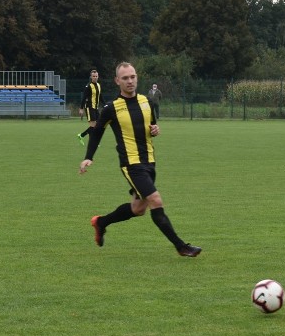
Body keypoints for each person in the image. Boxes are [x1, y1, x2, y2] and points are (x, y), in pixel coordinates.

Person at [79, 62, 201, 257]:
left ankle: (101, 222)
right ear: (117, 81)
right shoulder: (111, 108)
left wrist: (155, 130)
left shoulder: (146, 101)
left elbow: (151, 126)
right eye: (125, 78)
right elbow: (97, 132)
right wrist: (88, 158)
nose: (130, 81)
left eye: (132, 77)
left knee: (138, 209)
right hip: (131, 163)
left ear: (137, 78)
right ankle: (181, 246)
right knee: (155, 199)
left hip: (149, 160)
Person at [77, 69, 102, 145]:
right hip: (89, 107)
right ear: (91, 77)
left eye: (96, 76)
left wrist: (105, 104)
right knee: (93, 125)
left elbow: (100, 96)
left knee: (97, 125)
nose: (95, 77)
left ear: (98, 76)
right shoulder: (88, 86)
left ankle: (81, 135)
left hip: (96, 108)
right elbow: (84, 98)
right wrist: (81, 108)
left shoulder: (98, 85)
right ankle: (93, 142)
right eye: (93, 76)